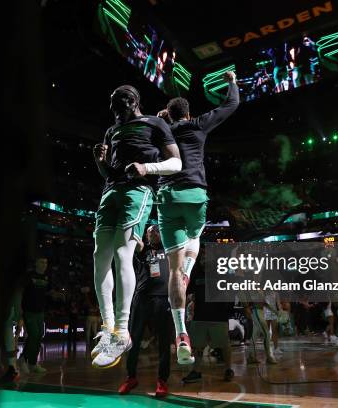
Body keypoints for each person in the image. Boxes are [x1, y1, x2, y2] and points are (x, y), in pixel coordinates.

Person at [91, 84, 181, 369]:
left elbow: (176, 162)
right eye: (111, 105)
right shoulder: (111, 131)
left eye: (117, 104)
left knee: (122, 253)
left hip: (138, 191)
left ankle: (122, 331)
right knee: (99, 256)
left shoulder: (154, 124)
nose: (113, 110)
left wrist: (147, 168)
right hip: (110, 191)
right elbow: (108, 172)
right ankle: (107, 328)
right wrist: (100, 163)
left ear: (131, 101)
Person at [157, 71, 239, 365]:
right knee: (195, 238)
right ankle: (187, 272)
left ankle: (181, 335)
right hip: (194, 195)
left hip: (166, 197)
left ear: (169, 114)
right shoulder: (197, 124)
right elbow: (231, 105)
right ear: (188, 113)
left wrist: (163, 121)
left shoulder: (161, 130)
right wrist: (231, 80)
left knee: (173, 270)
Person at [119, 225, 173, 398]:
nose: (152, 233)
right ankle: (131, 377)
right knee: (133, 339)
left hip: (163, 298)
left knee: (164, 342)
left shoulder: (170, 250)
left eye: (156, 230)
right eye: (149, 232)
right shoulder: (143, 250)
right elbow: (137, 242)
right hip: (142, 298)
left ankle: (162, 381)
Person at [182, 252, 235, 383]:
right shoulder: (196, 274)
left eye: (207, 257)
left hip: (218, 317)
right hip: (200, 316)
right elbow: (189, 292)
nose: (204, 259)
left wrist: (227, 311)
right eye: (202, 257)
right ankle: (196, 371)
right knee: (197, 346)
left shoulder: (221, 273)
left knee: (224, 344)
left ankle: (228, 369)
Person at [19, 257, 49, 374]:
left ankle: (32, 363)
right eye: (41, 262)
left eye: (46, 262)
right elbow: (21, 292)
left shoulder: (46, 277)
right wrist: (20, 310)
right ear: (36, 263)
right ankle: (22, 360)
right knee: (33, 335)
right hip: (29, 311)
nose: (44, 264)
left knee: (39, 336)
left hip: (40, 312)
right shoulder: (28, 276)